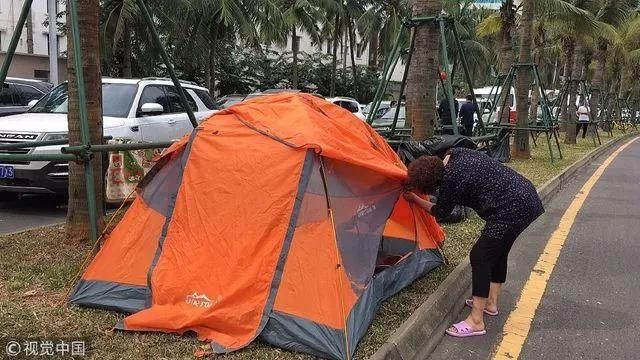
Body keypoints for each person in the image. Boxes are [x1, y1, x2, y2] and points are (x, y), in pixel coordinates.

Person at [403, 148, 544, 338]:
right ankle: (490, 302)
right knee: (498, 251)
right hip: (526, 194)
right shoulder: (456, 153)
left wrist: (414, 199)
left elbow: (439, 212)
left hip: (511, 209)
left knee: (480, 256)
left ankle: (476, 321)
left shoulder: (450, 182)